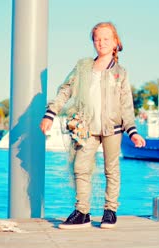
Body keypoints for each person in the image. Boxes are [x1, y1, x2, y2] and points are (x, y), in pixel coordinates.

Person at [39, 22, 146, 229]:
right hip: (85, 128)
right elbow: (65, 91)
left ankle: (110, 211)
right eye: (97, 39)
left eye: (106, 39)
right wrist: (50, 115)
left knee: (111, 169)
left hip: (112, 129)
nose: (101, 43)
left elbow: (126, 106)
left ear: (115, 42)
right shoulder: (83, 68)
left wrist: (132, 132)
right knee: (80, 167)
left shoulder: (121, 73)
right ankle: (82, 212)